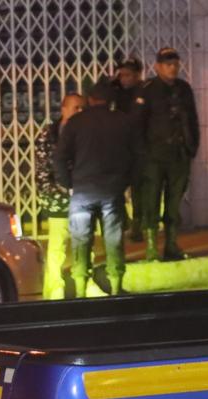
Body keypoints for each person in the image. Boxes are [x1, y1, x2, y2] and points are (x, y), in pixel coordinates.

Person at [55, 80, 139, 297]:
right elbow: (137, 155)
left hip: (82, 190)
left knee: (81, 241)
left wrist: (68, 184)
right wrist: (125, 182)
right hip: (112, 190)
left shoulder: (76, 123)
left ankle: (81, 288)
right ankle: (116, 286)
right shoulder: (123, 121)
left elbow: (61, 157)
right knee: (113, 239)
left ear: (90, 99)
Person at [135, 47, 200, 261]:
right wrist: (142, 154)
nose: (172, 68)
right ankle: (152, 247)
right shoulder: (148, 89)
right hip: (154, 156)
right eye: (167, 64)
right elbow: (138, 124)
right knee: (151, 201)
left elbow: (192, 120)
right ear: (157, 66)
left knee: (174, 203)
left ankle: (171, 244)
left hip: (178, 155)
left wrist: (192, 148)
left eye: (175, 64)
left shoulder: (184, 89)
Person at [36, 93, 86, 299]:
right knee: (57, 245)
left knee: (83, 242)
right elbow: (43, 169)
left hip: (82, 197)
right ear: (64, 109)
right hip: (58, 198)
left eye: (83, 108)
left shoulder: (86, 132)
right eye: (75, 108)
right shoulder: (48, 134)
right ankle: (55, 287)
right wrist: (53, 192)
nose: (79, 112)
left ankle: (84, 281)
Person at [112, 57, 146, 242]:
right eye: (121, 75)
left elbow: (136, 118)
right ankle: (124, 221)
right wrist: (112, 82)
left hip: (139, 148)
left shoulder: (143, 92)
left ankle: (137, 226)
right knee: (116, 187)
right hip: (120, 148)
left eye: (128, 75)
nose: (124, 79)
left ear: (137, 75)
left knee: (138, 190)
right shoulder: (116, 91)